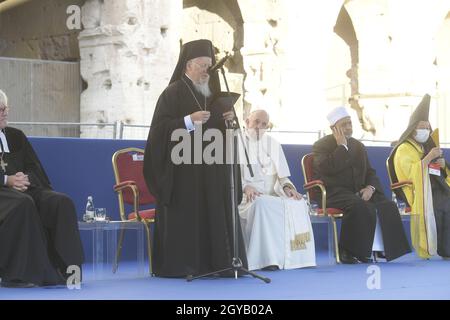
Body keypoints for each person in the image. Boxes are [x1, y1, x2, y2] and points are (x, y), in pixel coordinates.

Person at [143, 39, 248, 278]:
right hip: (183, 172)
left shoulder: (213, 94)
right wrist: (188, 121)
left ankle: (219, 263)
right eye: (202, 65)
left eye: (209, 66)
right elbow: (159, 132)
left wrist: (229, 121)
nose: (206, 71)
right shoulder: (172, 93)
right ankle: (188, 266)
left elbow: (224, 133)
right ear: (188, 66)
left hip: (213, 169)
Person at [0, 89, 84, 287]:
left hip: (24, 189)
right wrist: (6, 180)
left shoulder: (16, 136)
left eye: (6, 108)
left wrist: (24, 179)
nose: (5, 112)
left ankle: (67, 271)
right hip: (4, 193)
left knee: (61, 203)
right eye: (0, 109)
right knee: (22, 204)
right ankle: (19, 274)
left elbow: (35, 168)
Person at [312, 106, 410, 263]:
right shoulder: (321, 145)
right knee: (358, 204)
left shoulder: (358, 146)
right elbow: (327, 168)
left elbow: (370, 172)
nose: (349, 127)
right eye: (344, 124)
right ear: (333, 128)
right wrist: (341, 146)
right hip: (334, 192)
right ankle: (348, 251)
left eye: (350, 123)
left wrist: (370, 188)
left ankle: (383, 249)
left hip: (358, 191)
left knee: (387, 204)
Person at [238, 110, 316, 271]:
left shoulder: (273, 144)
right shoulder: (235, 143)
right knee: (261, 203)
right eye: (256, 122)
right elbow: (230, 178)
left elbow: (283, 178)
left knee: (299, 202)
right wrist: (245, 187)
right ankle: (267, 260)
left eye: (264, 124)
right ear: (246, 122)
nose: (259, 126)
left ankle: (297, 259)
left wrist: (289, 189)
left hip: (271, 196)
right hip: (246, 199)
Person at [390, 94, 450, 259]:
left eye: (427, 128)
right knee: (445, 202)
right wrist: (429, 157)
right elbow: (411, 173)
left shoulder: (425, 146)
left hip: (435, 186)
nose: (425, 131)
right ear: (413, 129)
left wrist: (443, 165)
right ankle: (444, 249)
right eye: (422, 127)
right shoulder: (404, 149)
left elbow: (436, 170)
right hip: (418, 190)